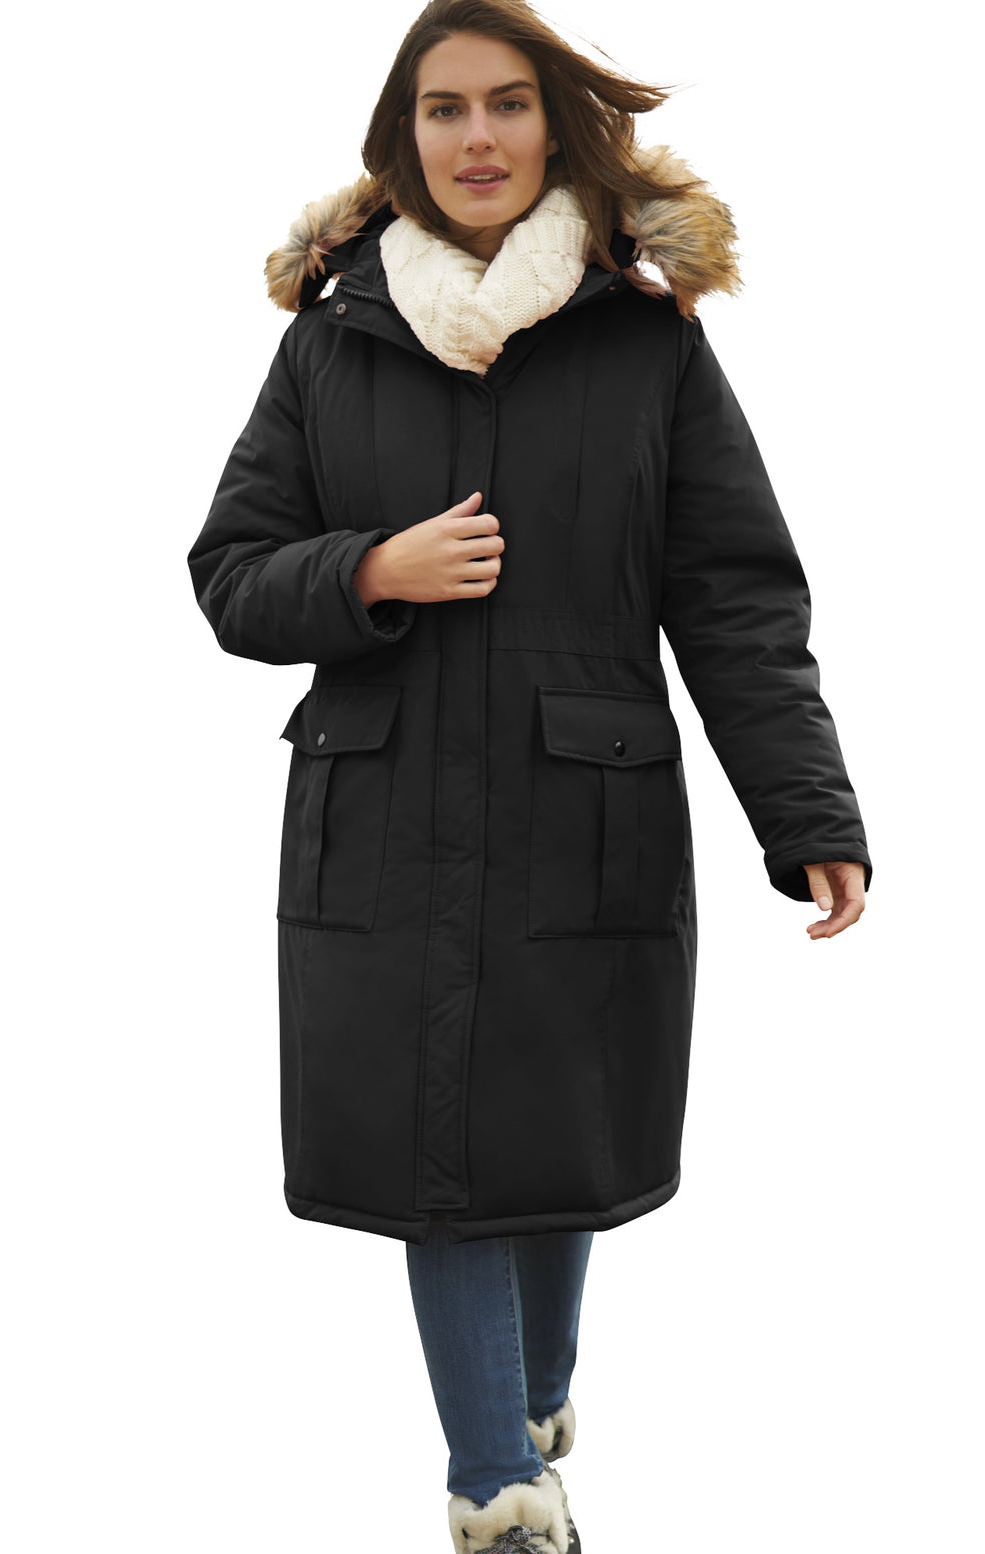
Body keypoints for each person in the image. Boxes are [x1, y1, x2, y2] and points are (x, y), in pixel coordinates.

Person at [186, 3, 873, 1549]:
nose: (476, 136)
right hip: (386, 820)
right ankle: (496, 1482)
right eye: (443, 109)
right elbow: (230, 573)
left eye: (506, 103)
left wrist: (807, 809)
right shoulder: (332, 339)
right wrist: (372, 569)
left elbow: (735, 594)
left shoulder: (645, 340)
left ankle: (537, 1394)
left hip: (585, 815)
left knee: (556, 1138)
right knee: (438, 1150)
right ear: (403, 138)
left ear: (555, 125)